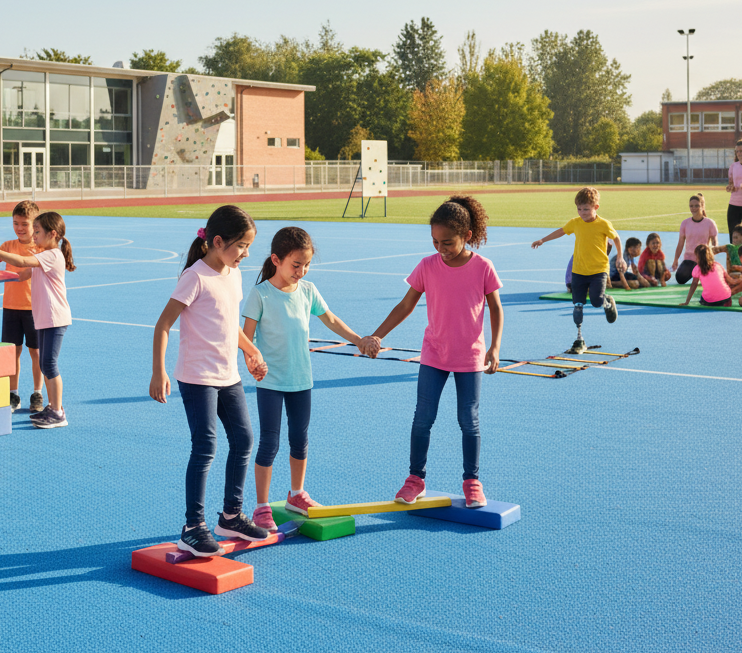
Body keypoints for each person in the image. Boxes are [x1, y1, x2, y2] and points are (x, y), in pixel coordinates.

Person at [363, 196, 501, 510]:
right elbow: (405, 305)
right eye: (435, 242)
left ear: (467, 236)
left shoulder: (482, 267)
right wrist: (378, 334)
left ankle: (472, 482)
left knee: (469, 421)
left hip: (470, 357)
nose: (441, 248)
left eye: (447, 242)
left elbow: (496, 308)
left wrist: (494, 347)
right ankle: (415, 479)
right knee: (423, 419)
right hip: (434, 355)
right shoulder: (427, 265)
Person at [149, 205, 270, 557]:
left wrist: (251, 351)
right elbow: (163, 325)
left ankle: (231, 516)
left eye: (249, 246)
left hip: (228, 375)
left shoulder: (234, 274)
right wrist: (158, 371)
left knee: (244, 440)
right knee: (205, 447)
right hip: (197, 377)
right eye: (241, 246)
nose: (246, 253)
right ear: (218, 242)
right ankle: (193, 526)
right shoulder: (195, 277)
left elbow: (229, 323)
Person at [243, 226, 368, 531]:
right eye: (296, 265)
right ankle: (261, 506)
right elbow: (246, 338)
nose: (301, 272)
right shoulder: (260, 294)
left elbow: (331, 319)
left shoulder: (308, 290)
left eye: (307, 265)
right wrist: (251, 363)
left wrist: (358, 340)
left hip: (301, 380)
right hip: (271, 382)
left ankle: (296, 494)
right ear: (276, 260)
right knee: (269, 442)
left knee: (300, 439)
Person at [0, 212, 74, 429]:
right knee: (45, 364)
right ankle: (53, 407)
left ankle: (58, 412)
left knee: (49, 364)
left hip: (55, 318)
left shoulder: (52, 255)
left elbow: (21, 261)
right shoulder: (44, 256)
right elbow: (21, 274)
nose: (34, 235)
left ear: (52, 234)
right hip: (45, 319)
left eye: (37, 232)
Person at [532, 186, 623, 352]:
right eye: (579, 209)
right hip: (579, 271)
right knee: (577, 307)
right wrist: (543, 240)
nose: (582, 213)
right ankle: (580, 339)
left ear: (596, 207)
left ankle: (607, 302)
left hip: (598, 270)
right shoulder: (575, 223)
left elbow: (616, 238)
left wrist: (620, 257)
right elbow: (561, 231)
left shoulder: (603, 224)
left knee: (596, 301)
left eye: (586, 209)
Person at [0, 200, 43, 412]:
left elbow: (26, 271)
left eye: (25, 224)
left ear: (35, 224)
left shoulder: (40, 248)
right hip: (11, 308)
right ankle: (13, 394)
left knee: (36, 353)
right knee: (12, 353)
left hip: (34, 309)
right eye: (16, 223)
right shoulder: (7, 246)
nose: (19, 228)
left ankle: (37, 393)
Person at [671, 194, 719, 285]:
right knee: (680, 278)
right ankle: (696, 272)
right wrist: (675, 260)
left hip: (704, 259)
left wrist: (710, 258)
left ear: (702, 206)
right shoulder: (685, 223)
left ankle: (701, 272)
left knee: (710, 281)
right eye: (691, 206)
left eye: (697, 206)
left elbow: (714, 243)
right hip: (689, 259)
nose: (693, 208)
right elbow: (680, 243)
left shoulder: (710, 223)